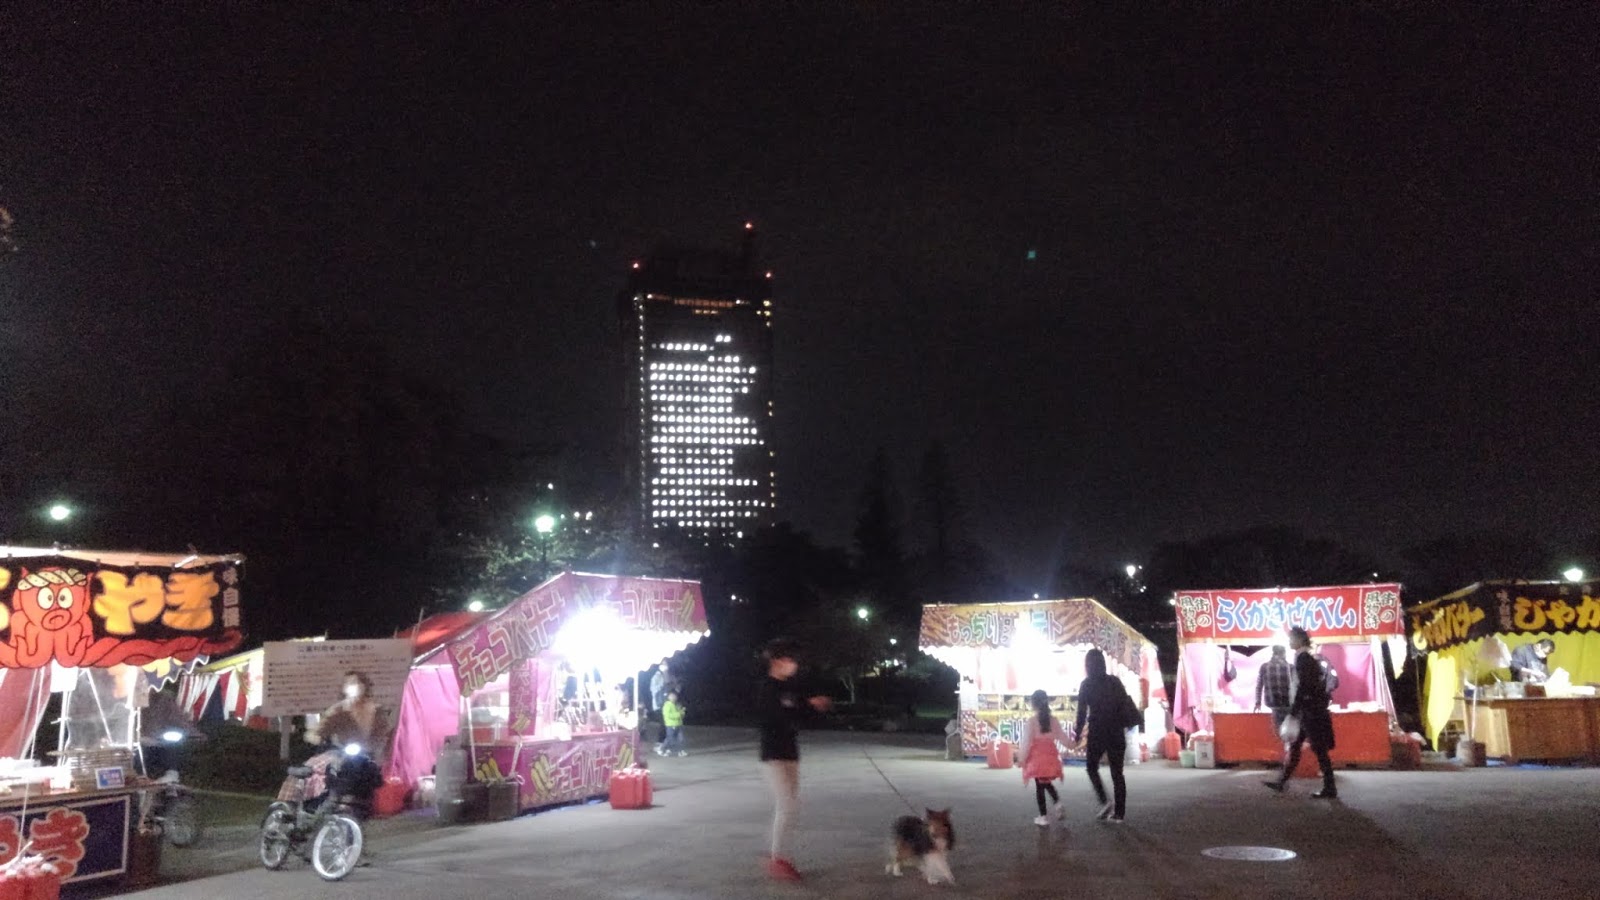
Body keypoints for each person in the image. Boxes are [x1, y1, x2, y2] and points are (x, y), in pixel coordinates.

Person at [757, 638, 831, 882]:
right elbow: (773, 718)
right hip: (773, 756)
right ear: (777, 661)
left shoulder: (790, 688)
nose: (794, 665)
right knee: (787, 804)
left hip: (790, 753)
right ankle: (776, 857)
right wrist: (800, 708)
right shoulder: (767, 688)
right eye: (790, 659)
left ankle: (778, 853)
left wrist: (815, 706)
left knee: (789, 806)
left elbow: (801, 714)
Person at [1264, 627, 1337, 799]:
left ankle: (1330, 787)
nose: (1289, 642)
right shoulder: (1304, 658)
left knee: (1318, 749)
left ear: (1299, 640)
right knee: (1297, 747)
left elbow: (1304, 687)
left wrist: (1295, 710)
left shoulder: (1304, 659)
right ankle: (1282, 782)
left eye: (1291, 639)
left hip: (1309, 711)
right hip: (1308, 710)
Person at [1072, 648, 1129, 822]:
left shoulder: (1086, 684)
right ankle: (1119, 814)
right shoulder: (1114, 682)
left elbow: (1082, 712)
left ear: (1088, 665)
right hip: (1116, 730)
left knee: (1091, 767)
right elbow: (1124, 704)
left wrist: (1077, 733)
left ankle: (1105, 801)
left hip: (1098, 731)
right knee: (1117, 773)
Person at [1018, 689, 1071, 825]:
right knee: (1045, 782)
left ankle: (1043, 816)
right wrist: (1072, 745)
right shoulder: (1053, 720)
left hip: (1037, 759)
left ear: (1034, 704)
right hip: (1051, 757)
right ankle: (1057, 803)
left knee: (1040, 786)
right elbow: (1063, 738)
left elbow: (1026, 742)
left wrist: (1021, 759)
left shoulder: (1032, 722)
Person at [1254, 645, 1294, 732]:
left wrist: (1258, 702)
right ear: (1284, 653)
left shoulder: (1264, 666)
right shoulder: (1290, 667)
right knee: (1289, 731)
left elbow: (1259, 686)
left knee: (1277, 730)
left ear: (1273, 653)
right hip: (1288, 703)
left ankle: (1280, 738)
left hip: (1273, 703)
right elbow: (1295, 686)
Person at [659, 690, 687, 757]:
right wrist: (678, 714)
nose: (673, 697)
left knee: (681, 739)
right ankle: (662, 749)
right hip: (671, 725)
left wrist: (682, 712)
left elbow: (681, 714)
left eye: (675, 696)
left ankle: (680, 751)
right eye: (671, 696)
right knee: (669, 739)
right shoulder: (667, 705)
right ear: (668, 697)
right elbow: (668, 715)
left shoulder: (677, 705)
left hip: (679, 724)